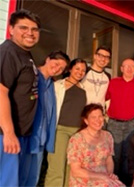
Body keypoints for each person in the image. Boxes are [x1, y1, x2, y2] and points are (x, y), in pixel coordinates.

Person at [0, 9, 40, 187]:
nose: (30, 33)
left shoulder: (25, 54)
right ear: (11, 29)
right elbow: (0, 91)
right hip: (4, 135)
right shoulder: (8, 52)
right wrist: (8, 133)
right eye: (24, 27)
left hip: (19, 134)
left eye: (35, 29)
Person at [27, 51, 70, 186]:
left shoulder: (51, 84)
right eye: (56, 64)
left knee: (33, 178)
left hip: (40, 140)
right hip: (25, 137)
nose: (57, 69)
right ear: (47, 59)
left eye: (61, 68)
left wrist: (49, 141)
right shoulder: (30, 76)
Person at [45, 58, 87, 187]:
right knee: (57, 166)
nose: (80, 72)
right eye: (77, 69)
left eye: (83, 70)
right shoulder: (58, 85)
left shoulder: (85, 88)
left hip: (78, 133)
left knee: (73, 169)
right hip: (60, 130)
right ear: (70, 69)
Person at [105, 58, 134, 184]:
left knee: (128, 155)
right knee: (114, 154)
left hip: (131, 124)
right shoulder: (112, 82)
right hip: (114, 123)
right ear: (121, 68)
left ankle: (126, 183)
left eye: (132, 66)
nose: (129, 69)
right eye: (126, 66)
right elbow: (105, 100)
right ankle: (113, 182)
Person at [67, 103, 125, 187]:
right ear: (86, 121)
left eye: (100, 116)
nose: (98, 120)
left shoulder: (108, 136)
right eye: (93, 117)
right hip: (84, 180)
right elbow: (76, 171)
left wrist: (109, 174)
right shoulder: (77, 139)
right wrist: (101, 177)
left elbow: (109, 160)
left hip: (105, 177)